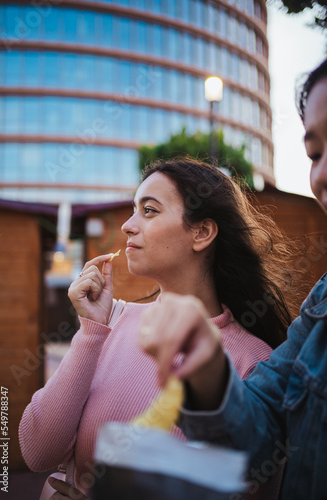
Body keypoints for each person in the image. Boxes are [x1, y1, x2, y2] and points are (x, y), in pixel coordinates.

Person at [19, 157, 296, 500]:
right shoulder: (109, 321)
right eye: (134, 209)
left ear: (202, 233)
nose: (128, 226)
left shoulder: (254, 361)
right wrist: (91, 330)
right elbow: (37, 452)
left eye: (149, 211)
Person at [138, 58, 327, 500]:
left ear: (203, 233)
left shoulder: (254, 351)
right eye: (315, 154)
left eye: (148, 211)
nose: (322, 174)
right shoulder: (321, 305)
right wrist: (207, 373)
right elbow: (257, 433)